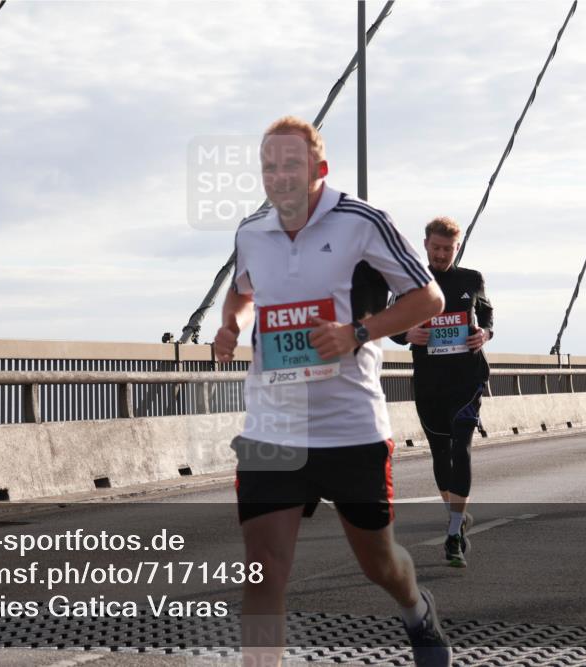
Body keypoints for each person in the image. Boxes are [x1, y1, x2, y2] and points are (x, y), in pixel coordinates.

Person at [213, 116, 451, 667]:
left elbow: (429, 299)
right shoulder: (252, 231)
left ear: (319, 169)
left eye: (291, 163)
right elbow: (241, 292)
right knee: (264, 571)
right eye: (269, 166)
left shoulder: (362, 221)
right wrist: (229, 325)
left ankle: (416, 608)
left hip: (350, 426)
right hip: (272, 427)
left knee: (379, 564)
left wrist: (357, 333)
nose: (279, 175)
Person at [391, 217, 493, 568]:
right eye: (436, 248)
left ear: (457, 248)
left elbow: (487, 314)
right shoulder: (410, 282)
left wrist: (485, 335)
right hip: (430, 382)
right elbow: (390, 324)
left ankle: (453, 533)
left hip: (466, 380)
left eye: (448, 249)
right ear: (425, 245)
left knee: (461, 447)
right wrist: (407, 335)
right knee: (440, 452)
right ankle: (456, 515)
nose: (441, 254)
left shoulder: (470, 279)